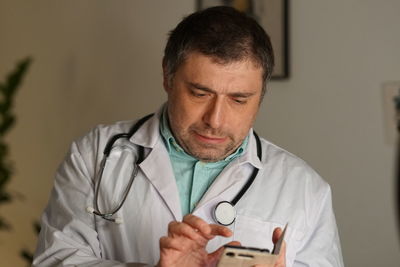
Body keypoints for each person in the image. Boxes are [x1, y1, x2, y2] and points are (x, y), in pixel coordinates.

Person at [33, 6, 344, 267]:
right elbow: (56, 260)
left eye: (238, 99)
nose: (215, 120)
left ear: (261, 95)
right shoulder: (94, 155)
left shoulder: (306, 190)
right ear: (167, 77)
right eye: (199, 93)